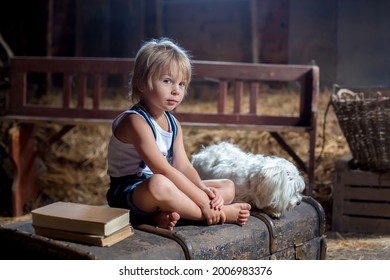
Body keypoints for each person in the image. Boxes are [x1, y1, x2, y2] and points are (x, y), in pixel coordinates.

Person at [106, 38, 251, 230]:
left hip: (164, 186)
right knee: (159, 184)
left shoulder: (173, 123)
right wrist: (204, 203)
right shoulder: (135, 121)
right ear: (142, 83)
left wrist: (203, 189)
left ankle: (159, 216)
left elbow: (183, 166)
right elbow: (163, 170)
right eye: (167, 81)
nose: (176, 90)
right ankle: (219, 213)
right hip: (130, 192)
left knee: (227, 187)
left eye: (182, 84)